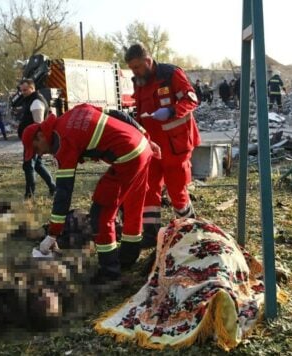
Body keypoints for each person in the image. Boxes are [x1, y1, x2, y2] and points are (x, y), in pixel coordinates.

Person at [22, 104, 158, 282]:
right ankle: (128, 257)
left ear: (40, 136)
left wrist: (52, 234)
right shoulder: (73, 113)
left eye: (37, 149)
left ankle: (109, 271)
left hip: (128, 156)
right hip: (141, 145)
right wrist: (146, 136)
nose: (40, 154)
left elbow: (63, 192)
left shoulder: (63, 143)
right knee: (133, 205)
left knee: (101, 214)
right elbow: (117, 114)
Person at [124, 43, 201, 248]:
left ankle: (189, 229)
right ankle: (151, 234)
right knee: (150, 187)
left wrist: (173, 111)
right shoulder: (139, 81)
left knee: (177, 189)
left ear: (148, 61)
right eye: (132, 68)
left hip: (176, 144)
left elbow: (191, 99)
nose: (135, 71)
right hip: (152, 144)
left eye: (138, 67)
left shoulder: (171, 74)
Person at [17, 79, 56, 199]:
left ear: (32, 88)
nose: (23, 92)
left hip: (34, 141)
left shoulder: (36, 102)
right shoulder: (31, 100)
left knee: (28, 166)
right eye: (21, 90)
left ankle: (29, 195)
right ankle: (53, 188)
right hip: (32, 141)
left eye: (25, 90)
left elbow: (38, 124)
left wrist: (35, 143)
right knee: (38, 165)